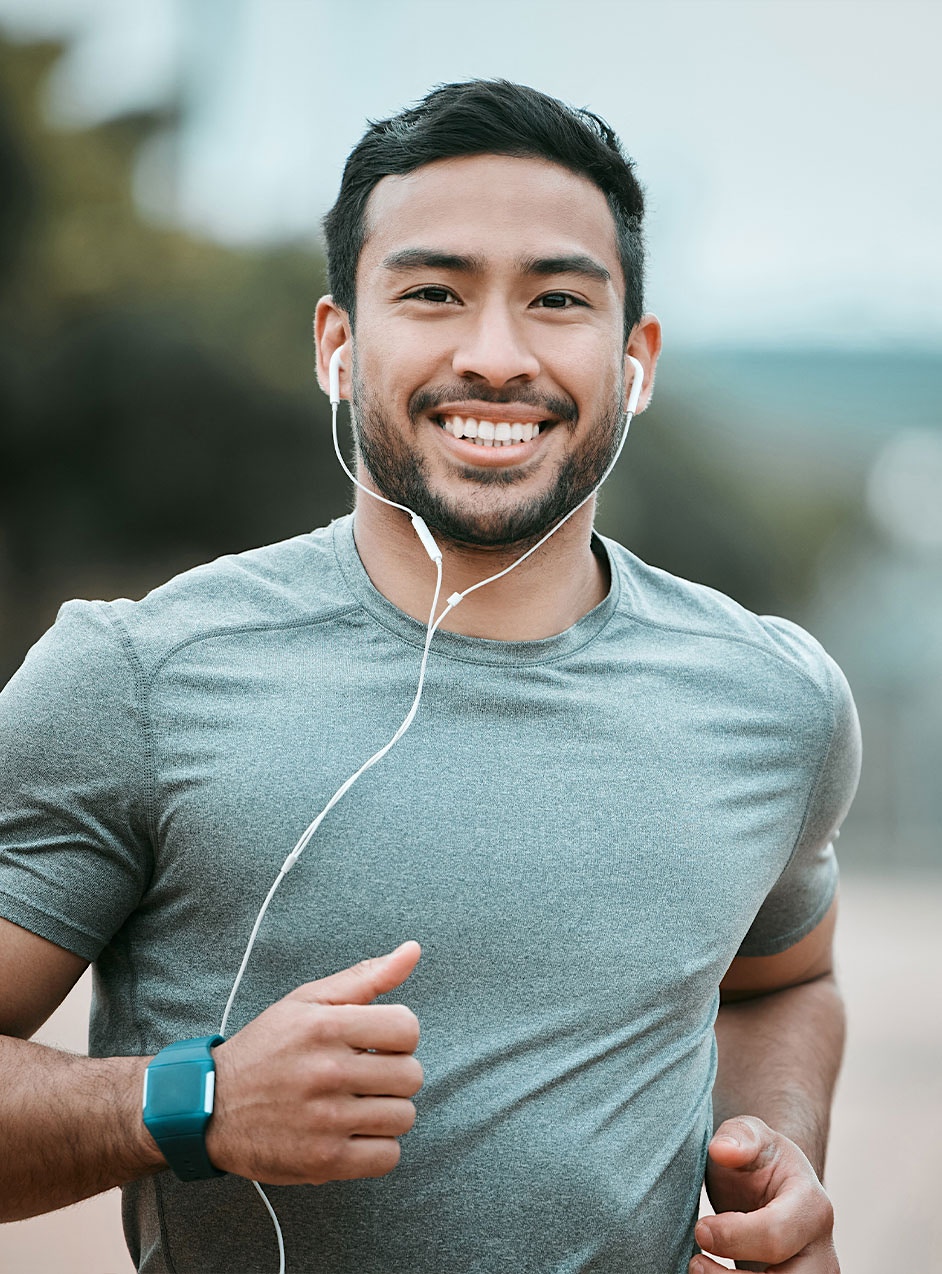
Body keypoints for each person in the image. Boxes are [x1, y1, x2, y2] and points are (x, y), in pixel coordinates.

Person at [0, 80, 859, 1274]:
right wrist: (189, 1101)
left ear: (635, 358)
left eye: (558, 299)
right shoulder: (133, 677)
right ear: (338, 347)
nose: (496, 355)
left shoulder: (777, 699)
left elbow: (786, 979)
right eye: (433, 293)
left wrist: (777, 1149)